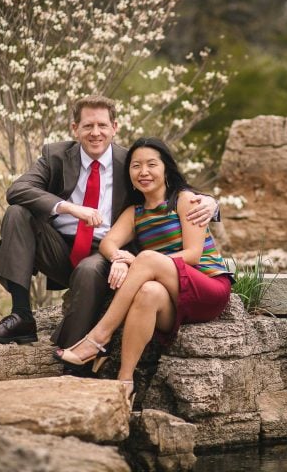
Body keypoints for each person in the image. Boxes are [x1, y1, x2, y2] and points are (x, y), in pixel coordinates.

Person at [0, 95, 218, 351]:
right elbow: (18, 189)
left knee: (89, 270)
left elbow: (172, 185)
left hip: (105, 252)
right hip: (56, 247)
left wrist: (212, 203)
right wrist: (70, 208)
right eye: (88, 126)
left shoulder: (129, 163)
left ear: (115, 127)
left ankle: (72, 352)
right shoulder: (55, 155)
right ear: (75, 129)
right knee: (17, 213)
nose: (95, 133)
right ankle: (21, 315)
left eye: (102, 125)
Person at [53, 137, 233, 401]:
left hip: (208, 289)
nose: (143, 172)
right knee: (148, 292)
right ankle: (125, 382)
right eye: (136, 166)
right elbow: (108, 243)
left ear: (166, 169)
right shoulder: (135, 213)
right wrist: (118, 258)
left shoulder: (185, 200)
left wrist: (139, 262)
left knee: (147, 259)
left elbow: (193, 256)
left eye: (151, 164)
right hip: (173, 300)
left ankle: (97, 339)